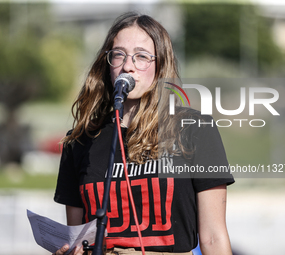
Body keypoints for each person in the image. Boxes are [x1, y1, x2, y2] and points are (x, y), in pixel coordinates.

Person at [53, 12, 234, 255]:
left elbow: (213, 237)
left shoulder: (195, 129)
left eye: (141, 57)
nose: (128, 66)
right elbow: (76, 238)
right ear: (107, 65)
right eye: (119, 55)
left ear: (160, 66)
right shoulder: (79, 141)